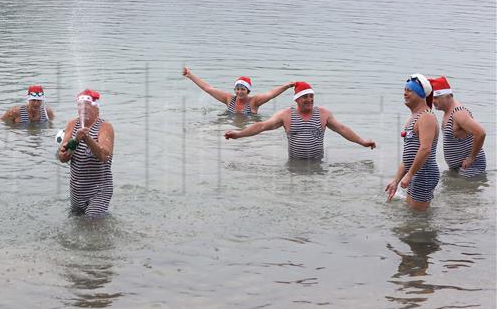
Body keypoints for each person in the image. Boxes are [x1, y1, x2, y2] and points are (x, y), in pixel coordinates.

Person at [224, 81, 376, 159]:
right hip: (294, 166)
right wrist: (239, 134)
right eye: (305, 97)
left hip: (317, 164)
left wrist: (362, 142)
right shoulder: (286, 115)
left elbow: (342, 129)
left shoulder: (323, 114)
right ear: (297, 99)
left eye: (311, 96)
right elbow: (262, 126)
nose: (309, 100)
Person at [56, 89, 114, 217]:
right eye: (80, 106)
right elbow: (62, 157)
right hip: (77, 189)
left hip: (99, 189)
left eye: (87, 106)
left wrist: (88, 139)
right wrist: (75, 140)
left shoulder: (105, 127)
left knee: (92, 222)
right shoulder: (72, 124)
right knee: (77, 223)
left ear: (97, 109)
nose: (83, 109)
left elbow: (104, 156)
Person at [386, 74, 439, 211]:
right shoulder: (412, 119)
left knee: (418, 218)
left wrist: (409, 175)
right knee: (411, 216)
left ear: (421, 94)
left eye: (409, 90)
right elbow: (408, 156)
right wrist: (396, 180)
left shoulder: (427, 117)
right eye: (404, 90)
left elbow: (425, 149)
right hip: (416, 173)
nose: (405, 93)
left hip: (425, 173)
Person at [430, 76, 487, 177]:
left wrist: (471, 158)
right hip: (458, 167)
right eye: (431, 98)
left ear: (447, 96)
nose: (433, 101)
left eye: (435, 98)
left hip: (471, 166)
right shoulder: (448, 111)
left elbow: (481, 133)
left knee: (465, 192)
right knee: (453, 192)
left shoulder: (458, 113)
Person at [183, 67, 294, 115]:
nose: (239, 92)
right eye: (237, 89)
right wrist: (190, 75)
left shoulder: (254, 102)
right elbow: (208, 89)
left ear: (248, 91)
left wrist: (287, 86)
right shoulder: (229, 99)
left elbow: (270, 94)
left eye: (243, 89)